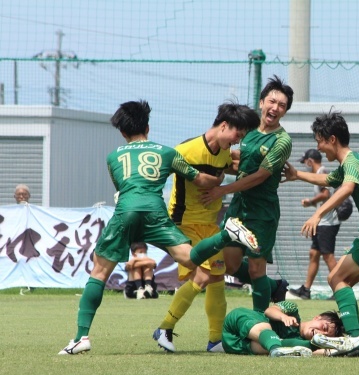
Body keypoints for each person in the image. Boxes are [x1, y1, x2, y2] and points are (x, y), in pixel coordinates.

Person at [58, 100, 258, 355]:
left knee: (98, 272)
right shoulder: (168, 152)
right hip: (157, 213)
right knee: (190, 257)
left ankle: (80, 337)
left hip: (127, 211)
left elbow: (122, 189)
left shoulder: (113, 157)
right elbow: (200, 178)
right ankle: (225, 236)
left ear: (122, 132)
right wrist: (220, 178)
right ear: (149, 127)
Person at [282, 110, 359, 357]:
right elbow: (327, 180)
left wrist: (318, 214)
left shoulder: (353, 162)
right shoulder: (348, 165)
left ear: (332, 139)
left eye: (319, 141)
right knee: (338, 280)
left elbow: (347, 188)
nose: (318, 147)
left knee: (336, 278)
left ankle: (356, 337)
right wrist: (296, 175)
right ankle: (354, 340)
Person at [152, 103, 260, 353]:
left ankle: (215, 340)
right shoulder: (185, 150)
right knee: (201, 277)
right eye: (237, 135)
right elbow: (160, 171)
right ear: (224, 125)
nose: (237, 142)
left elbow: (232, 163)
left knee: (217, 279)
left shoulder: (223, 151)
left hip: (210, 226)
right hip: (184, 224)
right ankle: (164, 328)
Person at [198, 75, 293, 315]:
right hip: (240, 206)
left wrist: (222, 189)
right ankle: (275, 287)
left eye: (281, 105)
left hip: (262, 212)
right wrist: (207, 164)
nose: (275, 108)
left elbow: (261, 175)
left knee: (256, 269)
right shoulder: (248, 130)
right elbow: (237, 162)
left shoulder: (282, 140)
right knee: (229, 265)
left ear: (284, 112)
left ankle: (259, 322)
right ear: (261, 103)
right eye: (272, 102)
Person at [289, 149, 341, 300]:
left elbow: (326, 194)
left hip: (328, 223)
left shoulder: (322, 172)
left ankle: (340, 290)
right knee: (314, 254)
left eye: (305, 162)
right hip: (322, 222)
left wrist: (311, 201)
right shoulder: (320, 171)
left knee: (328, 256)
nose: (305, 165)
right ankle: (306, 289)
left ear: (310, 161)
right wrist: (312, 205)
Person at [221, 301, 344, 357]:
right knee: (266, 329)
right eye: (323, 327)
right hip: (242, 321)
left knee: (267, 347)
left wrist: (344, 349)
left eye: (325, 335)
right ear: (317, 318)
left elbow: (317, 352)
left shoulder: (300, 345)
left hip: (234, 345)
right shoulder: (292, 309)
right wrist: (283, 316)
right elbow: (269, 311)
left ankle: (276, 349)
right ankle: (276, 350)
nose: (320, 333)